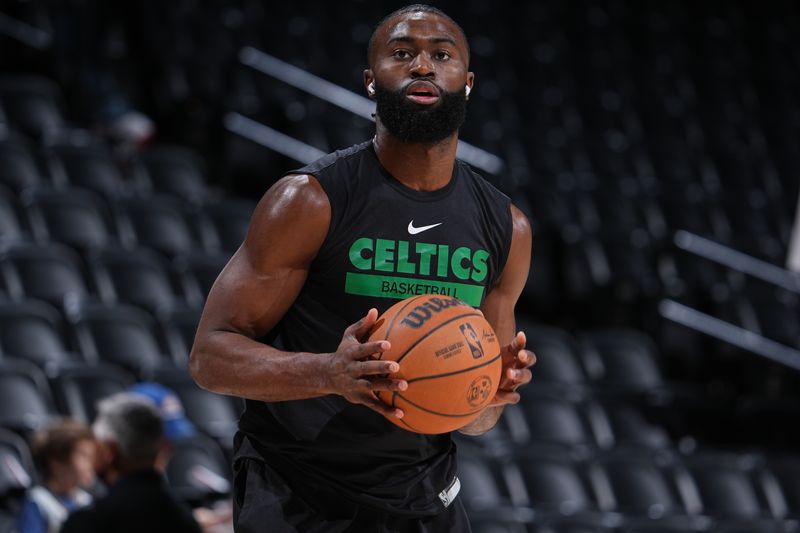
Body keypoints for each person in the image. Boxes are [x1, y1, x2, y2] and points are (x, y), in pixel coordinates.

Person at [190, 4, 535, 531]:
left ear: (467, 83)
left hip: (426, 499)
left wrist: (492, 388)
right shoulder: (310, 200)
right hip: (299, 492)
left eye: (441, 55)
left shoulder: (505, 227)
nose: (423, 65)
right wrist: (329, 372)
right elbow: (210, 357)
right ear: (372, 83)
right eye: (402, 54)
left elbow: (479, 421)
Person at [61, 393, 201, 533]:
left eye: (96, 447)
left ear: (109, 451)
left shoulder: (88, 523)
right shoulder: (185, 520)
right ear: (163, 450)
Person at [16, 419, 96, 533]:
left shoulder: (86, 500)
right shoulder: (38, 502)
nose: (91, 464)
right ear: (57, 463)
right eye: (84, 456)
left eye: (91, 456)